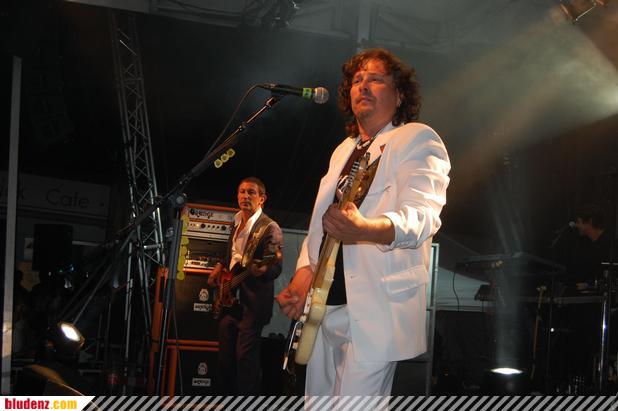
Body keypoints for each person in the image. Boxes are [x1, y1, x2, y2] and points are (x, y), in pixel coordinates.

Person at [276, 48, 451, 396]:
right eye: (357, 80)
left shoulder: (417, 138)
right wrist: (305, 270)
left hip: (375, 306)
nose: (364, 85)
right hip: (324, 306)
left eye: (376, 79)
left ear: (399, 95)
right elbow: (321, 223)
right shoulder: (343, 150)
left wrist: (365, 229)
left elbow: (423, 217)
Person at [207, 176, 283, 395]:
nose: (245, 196)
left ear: (262, 198)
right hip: (230, 299)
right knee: (225, 359)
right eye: (242, 191)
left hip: (253, 303)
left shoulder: (270, 227)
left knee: (245, 359)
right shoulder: (236, 221)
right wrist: (219, 266)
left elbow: (276, 266)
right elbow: (231, 254)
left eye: (251, 192)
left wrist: (264, 269)